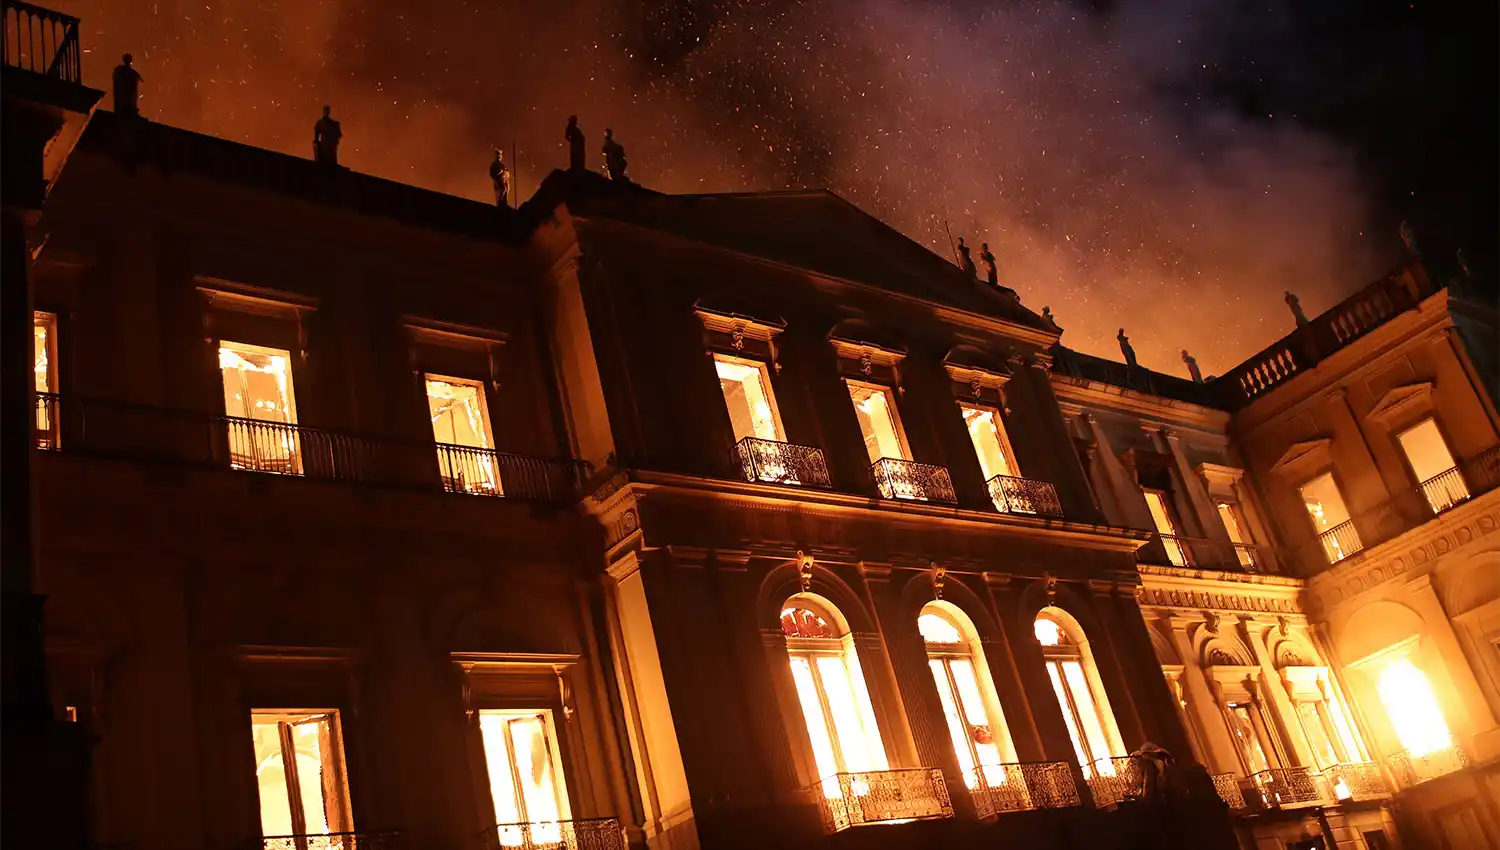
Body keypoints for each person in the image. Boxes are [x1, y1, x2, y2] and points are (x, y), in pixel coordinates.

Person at [113, 54, 143, 118]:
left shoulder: (131, 72)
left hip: (126, 98)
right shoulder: (124, 71)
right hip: (124, 98)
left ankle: (129, 108)